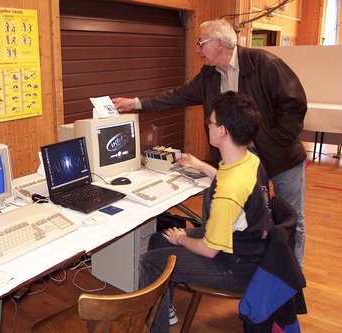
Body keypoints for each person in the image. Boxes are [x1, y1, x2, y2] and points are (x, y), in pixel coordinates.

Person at [113, 18, 307, 268]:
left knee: (291, 219)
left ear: (219, 43)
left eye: (200, 43)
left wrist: (276, 142)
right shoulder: (209, 75)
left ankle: (292, 277)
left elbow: (295, 104)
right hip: (239, 157)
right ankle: (222, 262)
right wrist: (137, 103)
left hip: (282, 159)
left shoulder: (265, 65)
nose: (197, 49)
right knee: (231, 213)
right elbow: (178, 95)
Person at [138, 91, 275, 332]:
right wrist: (199, 165)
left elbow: (209, 250)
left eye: (210, 122)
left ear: (222, 131)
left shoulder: (229, 191)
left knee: (150, 262)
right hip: (249, 247)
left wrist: (181, 238)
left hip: (234, 265)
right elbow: (228, 179)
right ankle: (165, 308)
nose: (208, 127)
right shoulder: (250, 160)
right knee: (159, 240)